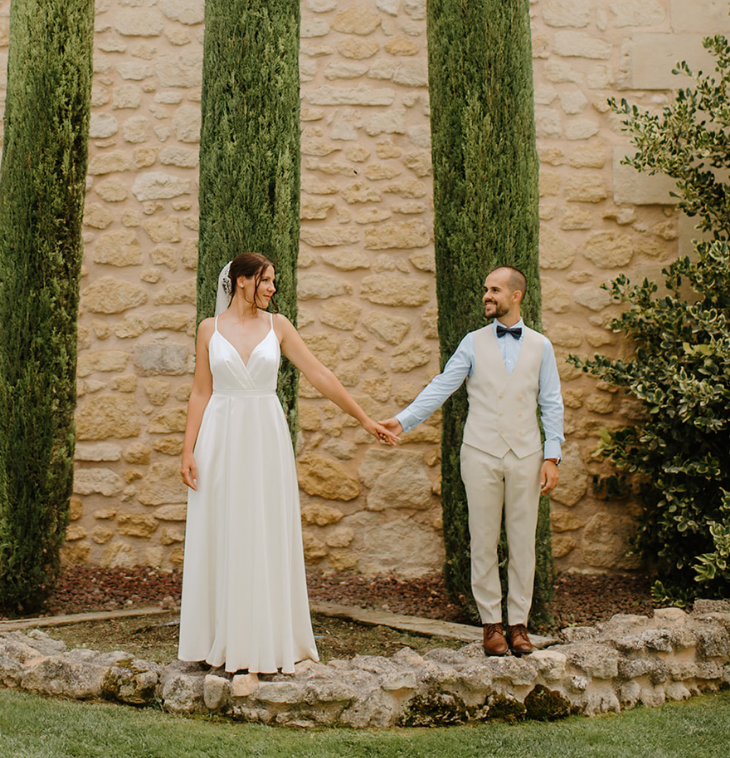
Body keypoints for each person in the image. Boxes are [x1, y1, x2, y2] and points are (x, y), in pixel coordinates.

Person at [178, 252, 398, 676]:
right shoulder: (209, 329)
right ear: (241, 281)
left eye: (273, 281)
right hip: (219, 439)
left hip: (264, 436)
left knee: (262, 528)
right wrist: (187, 450)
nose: (272, 288)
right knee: (222, 529)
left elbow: (320, 374)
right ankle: (218, 640)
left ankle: (265, 639)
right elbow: (200, 392)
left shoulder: (278, 327)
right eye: (265, 280)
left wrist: (365, 419)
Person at [376, 265, 563, 658]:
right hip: (479, 452)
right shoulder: (472, 342)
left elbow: (551, 403)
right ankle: (491, 625)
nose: (486, 296)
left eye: (495, 290)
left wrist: (552, 455)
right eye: (485, 289)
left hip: (527, 455)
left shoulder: (541, 346)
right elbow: (443, 385)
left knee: (523, 543)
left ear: (516, 296)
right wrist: (404, 419)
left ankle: (519, 625)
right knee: (482, 540)